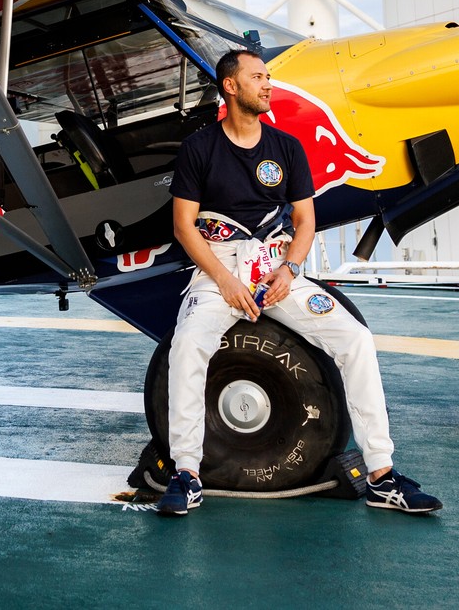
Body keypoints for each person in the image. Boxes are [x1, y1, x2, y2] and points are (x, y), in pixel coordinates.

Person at [156, 47, 442, 517]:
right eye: (257, 77)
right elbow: (184, 226)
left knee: (356, 339)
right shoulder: (199, 148)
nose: (267, 84)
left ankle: (381, 475)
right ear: (231, 86)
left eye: (267, 77)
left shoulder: (287, 147)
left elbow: (305, 221)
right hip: (219, 267)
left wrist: (289, 269)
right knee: (187, 344)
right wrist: (225, 281)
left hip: (277, 266)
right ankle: (187, 473)